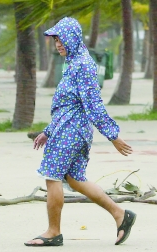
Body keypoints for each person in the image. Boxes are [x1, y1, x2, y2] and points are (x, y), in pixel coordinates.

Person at [26, 17, 136, 247]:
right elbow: (67, 104)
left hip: (71, 130)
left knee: (52, 176)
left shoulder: (83, 65)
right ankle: (120, 215)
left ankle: (53, 232)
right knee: (75, 180)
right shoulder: (73, 62)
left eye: (62, 39)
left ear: (73, 38)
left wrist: (113, 135)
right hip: (68, 127)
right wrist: (48, 130)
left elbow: (93, 104)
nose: (58, 44)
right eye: (56, 40)